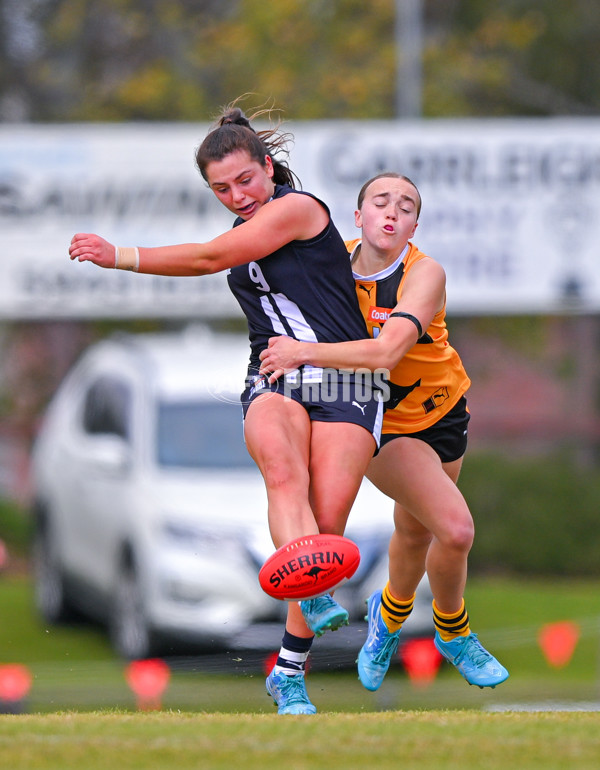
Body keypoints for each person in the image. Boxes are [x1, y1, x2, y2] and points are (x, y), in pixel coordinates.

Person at [69, 101, 386, 715]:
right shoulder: (247, 223)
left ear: (269, 167)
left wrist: (120, 255)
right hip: (274, 376)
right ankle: (313, 608)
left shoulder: (298, 209)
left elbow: (209, 259)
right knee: (284, 475)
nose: (237, 195)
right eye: (221, 188)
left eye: (245, 180)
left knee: (327, 524)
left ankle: (288, 671)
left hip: (344, 382)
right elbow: (224, 257)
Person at [259, 172, 509, 691]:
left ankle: (386, 621)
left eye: (406, 206)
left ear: (415, 223)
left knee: (417, 529)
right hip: (378, 424)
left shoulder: (425, 273)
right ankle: (453, 631)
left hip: (444, 412)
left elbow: (386, 352)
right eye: (380, 201)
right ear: (358, 216)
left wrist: (301, 351)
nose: (392, 212)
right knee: (456, 530)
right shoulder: (330, 263)